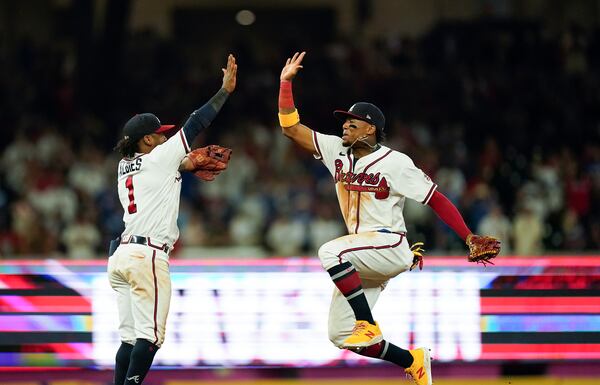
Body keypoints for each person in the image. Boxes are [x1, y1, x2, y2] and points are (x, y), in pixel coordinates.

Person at [277, 52, 500, 385]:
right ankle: (412, 360)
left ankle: (367, 322)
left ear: (371, 128)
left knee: (329, 252)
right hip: (362, 255)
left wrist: (468, 236)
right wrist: (285, 83)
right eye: (344, 121)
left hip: (388, 243)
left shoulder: (396, 162)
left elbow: (435, 199)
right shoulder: (337, 150)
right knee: (340, 334)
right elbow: (290, 128)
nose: (345, 126)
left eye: (352, 122)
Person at [108, 54, 237, 385]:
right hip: (146, 256)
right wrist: (223, 91)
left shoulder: (125, 166)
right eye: (160, 134)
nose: (165, 138)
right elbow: (195, 122)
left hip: (121, 256)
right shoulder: (160, 156)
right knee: (150, 339)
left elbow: (162, 170)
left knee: (129, 338)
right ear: (147, 140)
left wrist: (183, 166)